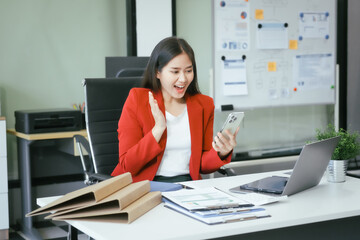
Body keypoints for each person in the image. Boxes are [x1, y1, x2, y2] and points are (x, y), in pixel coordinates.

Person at [111, 37, 239, 182]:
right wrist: (158, 129)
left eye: (188, 70)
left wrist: (221, 152)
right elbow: (128, 165)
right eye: (175, 71)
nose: (183, 79)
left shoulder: (204, 105)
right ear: (157, 72)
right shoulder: (137, 100)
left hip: (187, 188)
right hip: (145, 188)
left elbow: (201, 165)